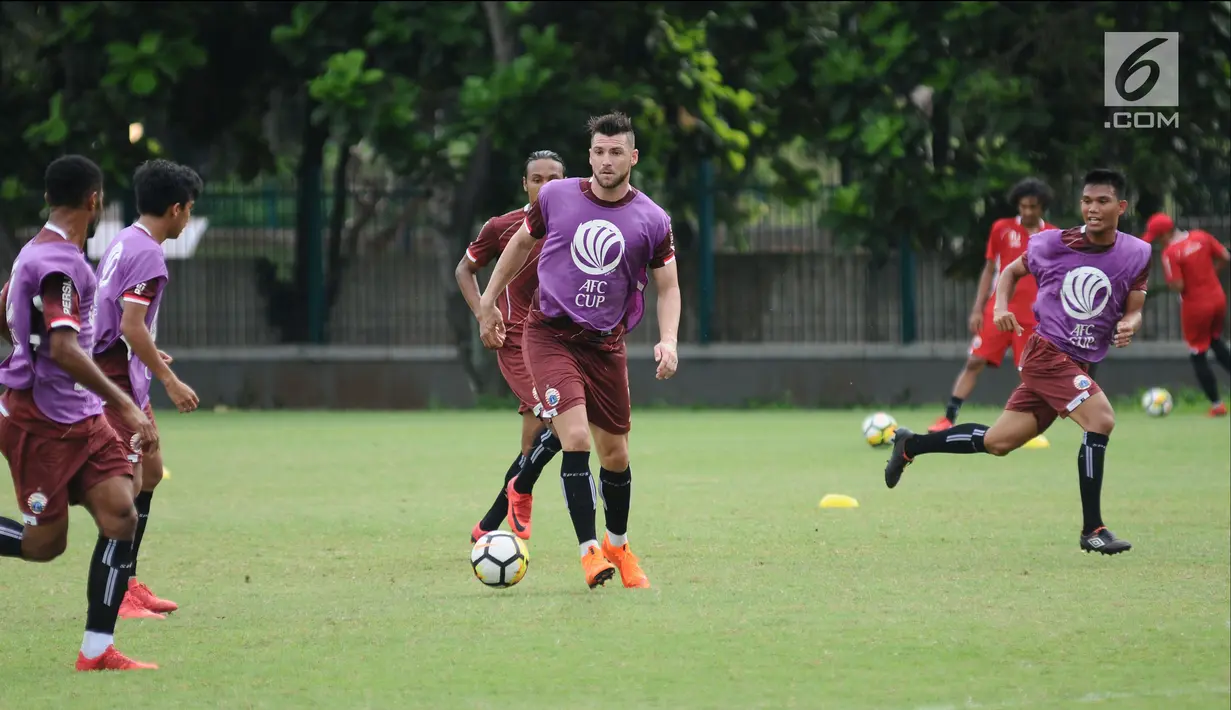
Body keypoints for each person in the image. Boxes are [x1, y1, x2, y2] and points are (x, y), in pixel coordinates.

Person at [884, 169, 1151, 556]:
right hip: (1046, 355)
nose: (1093, 209)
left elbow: (1135, 309)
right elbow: (1009, 270)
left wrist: (1128, 324)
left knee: (998, 442)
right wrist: (1000, 308)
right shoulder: (1052, 243)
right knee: (1101, 420)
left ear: (1120, 207)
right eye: (1087, 201)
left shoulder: (1137, 253)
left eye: (1103, 201)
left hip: (1080, 362)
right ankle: (1093, 529)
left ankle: (912, 445)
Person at [476, 111, 681, 589]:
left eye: (615, 152)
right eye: (598, 152)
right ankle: (590, 553)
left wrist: (668, 339)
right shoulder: (556, 197)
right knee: (576, 440)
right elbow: (520, 246)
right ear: (588, 156)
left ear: (632, 157)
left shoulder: (653, 219)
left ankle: (618, 545)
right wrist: (488, 301)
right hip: (548, 335)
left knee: (616, 455)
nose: (606, 161)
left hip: (606, 344)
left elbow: (668, 286)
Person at [0, 155, 161, 670]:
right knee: (45, 545)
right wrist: (126, 407)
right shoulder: (60, 264)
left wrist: (22, 344)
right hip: (42, 422)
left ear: (50, 197)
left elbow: (7, 305)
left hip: (81, 417)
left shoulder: (39, 250)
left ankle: (97, 651)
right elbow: (66, 348)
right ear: (94, 201)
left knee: (120, 514)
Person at [93, 159, 203, 620]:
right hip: (115, 377)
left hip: (124, 369)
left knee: (151, 472)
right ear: (175, 209)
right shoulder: (148, 254)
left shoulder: (126, 240)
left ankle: (130, 581)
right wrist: (170, 379)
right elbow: (130, 323)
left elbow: (122, 320)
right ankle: (116, 594)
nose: (189, 218)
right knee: (128, 485)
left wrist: (151, 357)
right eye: (190, 210)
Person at [459, 150, 566, 542]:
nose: (546, 186)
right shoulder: (504, 227)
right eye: (537, 179)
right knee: (562, 421)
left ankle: (486, 526)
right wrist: (483, 315)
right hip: (518, 342)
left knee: (532, 445)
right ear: (526, 184)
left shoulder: (576, 225)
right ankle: (520, 498)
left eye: (554, 178)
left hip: (559, 342)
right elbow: (464, 270)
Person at [930, 179, 1058, 443]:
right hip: (998, 310)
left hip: (1034, 317)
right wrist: (978, 308)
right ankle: (948, 418)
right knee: (974, 360)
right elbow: (990, 268)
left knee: (1030, 372)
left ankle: (1028, 428)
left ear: (1041, 206)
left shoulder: (1053, 236)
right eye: (1023, 206)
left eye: (1033, 206)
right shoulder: (1001, 229)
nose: (1027, 211)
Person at [1144, 213, 1230, 417]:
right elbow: (1225, 257)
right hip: (1218, 298)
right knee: (1216, 342)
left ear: (1165, 234)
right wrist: (1209, 275)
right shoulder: (1201, 236)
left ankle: (1217, 405)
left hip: (1196, 306)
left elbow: (1178, 285)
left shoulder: (1170, 253)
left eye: (1157, 237)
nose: (1158, 241)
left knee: (1197, 353)